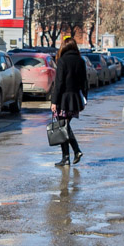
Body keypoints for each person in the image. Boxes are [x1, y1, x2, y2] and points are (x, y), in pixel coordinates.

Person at [50, 34, 87, 167]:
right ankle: (68, 156)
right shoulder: (80, 61)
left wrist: (54, 101)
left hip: (63, 99)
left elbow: (59, 83)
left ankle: (73, 153)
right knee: (64, 127)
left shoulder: (62, 61)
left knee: (63, 127)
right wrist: (85, 99)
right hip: (75, 98)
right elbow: (84, 82)